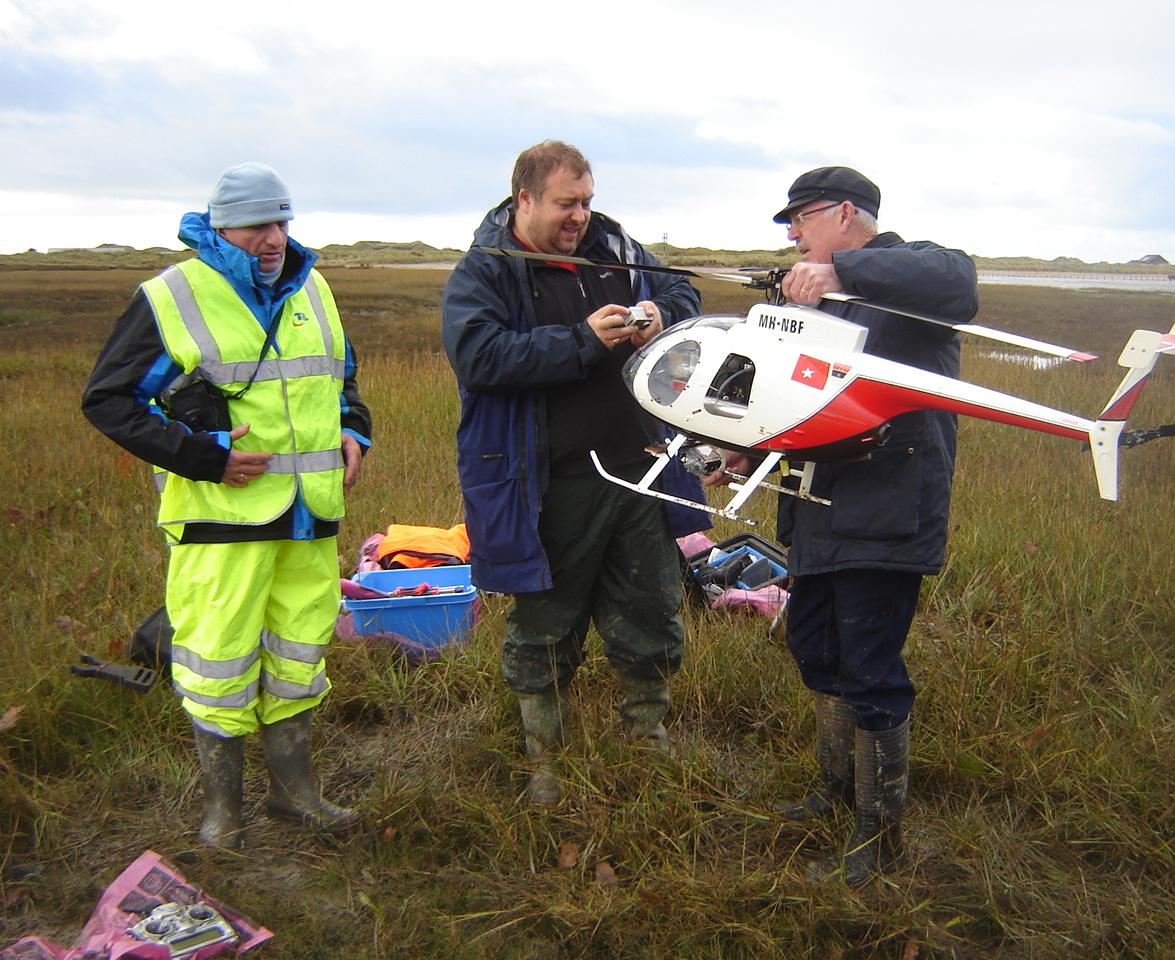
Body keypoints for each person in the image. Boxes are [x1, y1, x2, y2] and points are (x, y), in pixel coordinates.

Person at [82, 162, 373, 850]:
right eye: (257, 225)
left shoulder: (314, 287)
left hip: (308, 520)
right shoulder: (172, 295)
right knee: (217, 664)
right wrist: (203, 454)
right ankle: (223, 815)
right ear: (220, 227)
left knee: (300, 656)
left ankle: (296, 797)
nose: (273, 238)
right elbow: (109, 399)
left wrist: (355, 429)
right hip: (220, 526)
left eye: (281, 222)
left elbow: (341, 377)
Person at [709, 166, 978, 884]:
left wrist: (839, 269)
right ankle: (835, 794)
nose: (793, 236)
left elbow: (959, 280)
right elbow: (808, 404)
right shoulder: (835, 300)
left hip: (887, 515)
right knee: (816, 650)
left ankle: (878, 839)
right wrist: (747, 452)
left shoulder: (908, 279)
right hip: (822, 514)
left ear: (847, 214)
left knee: (869, 669)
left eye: (801, 220)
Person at [442, 140, 710, 805]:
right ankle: (545, 764)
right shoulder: (485, 270)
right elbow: (480, 356)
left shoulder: (615, 246)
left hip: (642, 471)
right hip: (550, 485)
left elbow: (681, 288)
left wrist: (660, 316)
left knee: (650, 614)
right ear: (524, 198)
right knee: (546, 626)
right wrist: (586, 340)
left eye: (587, 200)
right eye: (567, 203)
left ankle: (648, 745)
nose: (581, 216)